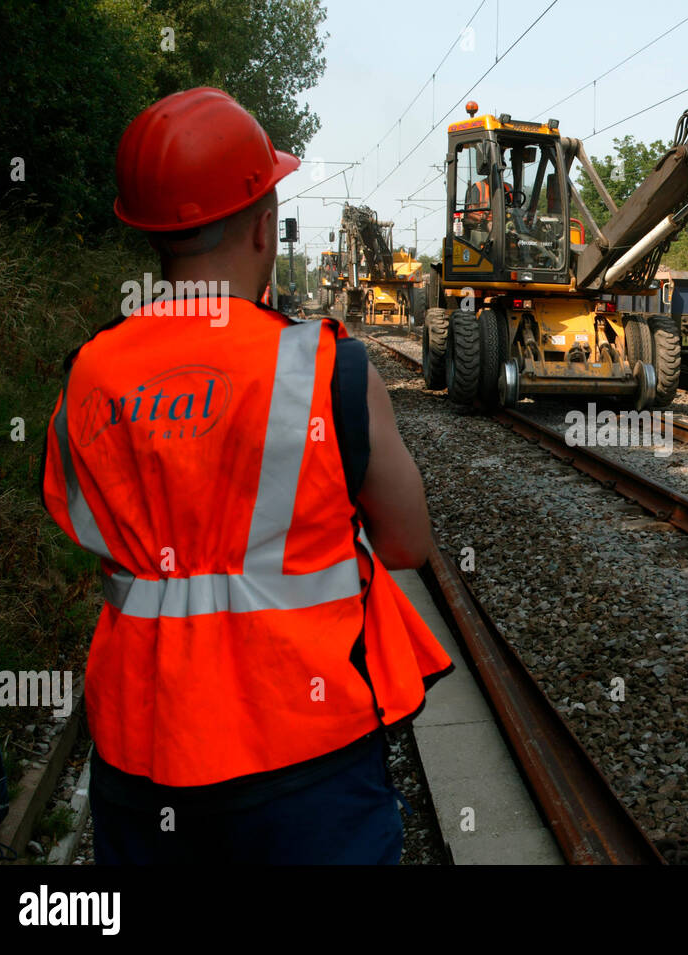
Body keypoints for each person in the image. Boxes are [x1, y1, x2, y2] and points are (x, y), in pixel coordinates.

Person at [41, 87, 451, 864]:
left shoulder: (88, 372)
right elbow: (406, 542)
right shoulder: (324, 366)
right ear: (265, 225)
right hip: (306, 758)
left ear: (148, 233)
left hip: (142, 752)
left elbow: (80, 513)